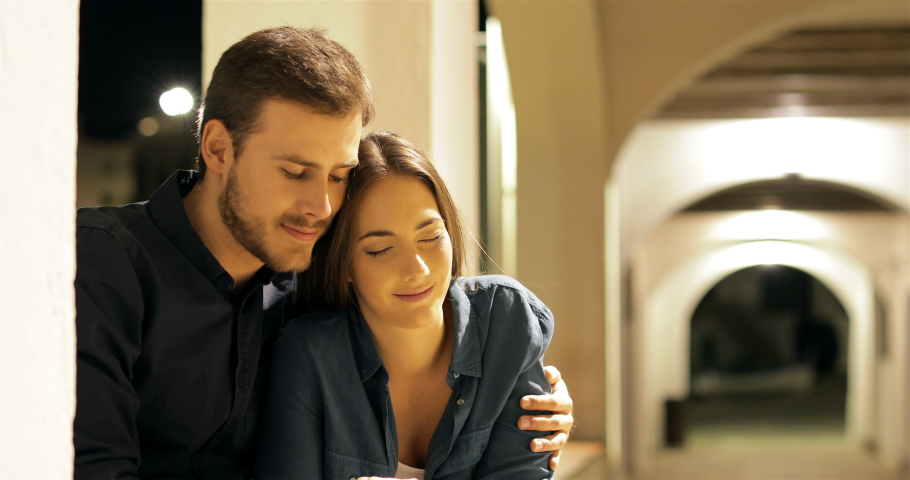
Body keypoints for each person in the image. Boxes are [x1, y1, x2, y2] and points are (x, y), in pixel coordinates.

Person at [74, 26, 573, 480]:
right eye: (295, 172)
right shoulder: (107, 262)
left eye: (338, 175)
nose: (322, 206)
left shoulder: (310, 285)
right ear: (218, 149)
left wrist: (530, 394)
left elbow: (428, 301)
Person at [255, 132, 555, 480]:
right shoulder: (309, 354)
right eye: (379, 250)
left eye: (430, 238)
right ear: (344, 264)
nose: (418, 270)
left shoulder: (505, 319)